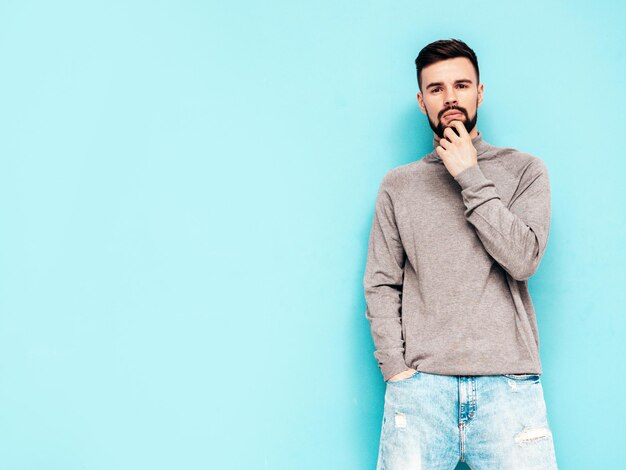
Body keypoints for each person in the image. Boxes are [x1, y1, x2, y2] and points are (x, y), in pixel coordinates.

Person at [363, 38, 558, 469]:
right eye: (436, 89)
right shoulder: (400, 185)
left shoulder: (524, 170)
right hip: (420, 393)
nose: (450, 98)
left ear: (479, 92)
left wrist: (470, 175)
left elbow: (524, 258)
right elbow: (381, 282)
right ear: (421, 101)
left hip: (508, 389)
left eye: (461, 85)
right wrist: (396, 369)